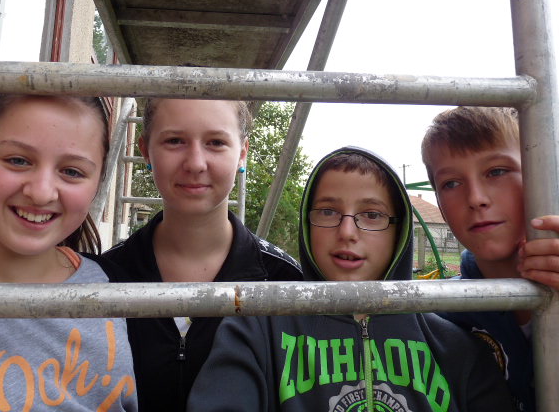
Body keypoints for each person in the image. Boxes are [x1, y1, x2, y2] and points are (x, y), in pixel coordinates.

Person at [187, 146, 515, 412]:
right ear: (307, 223)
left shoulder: (453, 346)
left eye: (371, 215)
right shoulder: (257, 330)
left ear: (399, 231)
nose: (347, 232)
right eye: (328, 211)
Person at [0, 95, 138, 411]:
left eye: (72, 171)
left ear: (97, 183)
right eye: (18, 161)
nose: (40, 192)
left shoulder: (122, 289)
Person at [104, 98, 302, 411]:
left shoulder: (286, 280)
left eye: (216, 142)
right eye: (175, 141)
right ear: (145, 151)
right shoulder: (105, 277)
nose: (195, 163)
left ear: (243, 153)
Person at [421, 106, 559, 412]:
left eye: (496, 171)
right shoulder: (439, 318)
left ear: (541, 175)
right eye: (451, 183)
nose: (476, 198)